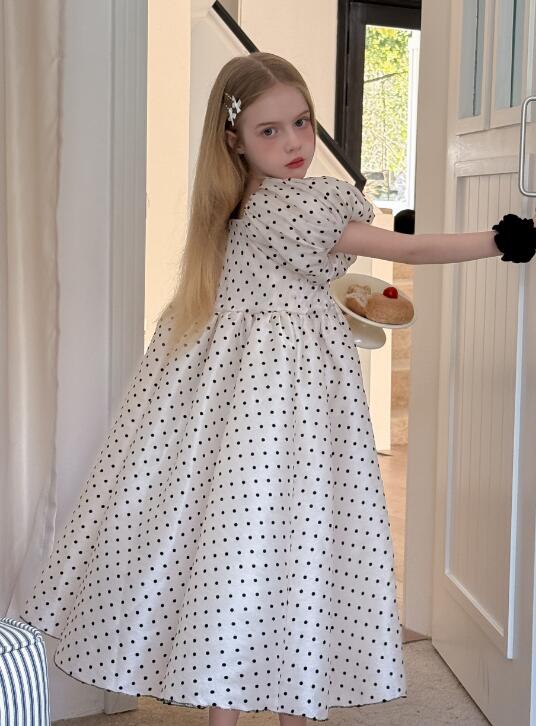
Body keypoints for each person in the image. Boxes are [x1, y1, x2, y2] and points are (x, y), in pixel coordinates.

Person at [20, 52, 535, 726]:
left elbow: (343, 254)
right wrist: (497, 241)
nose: (294, 142)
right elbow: (405, 252)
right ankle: (295, 693)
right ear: (234, 138)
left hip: (247, 399)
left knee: (239, 542)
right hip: (287, 401)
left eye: (302, 122)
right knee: (298, 537)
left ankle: (237, 702)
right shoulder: (294, 205)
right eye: (270, 130)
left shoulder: (235, 200)